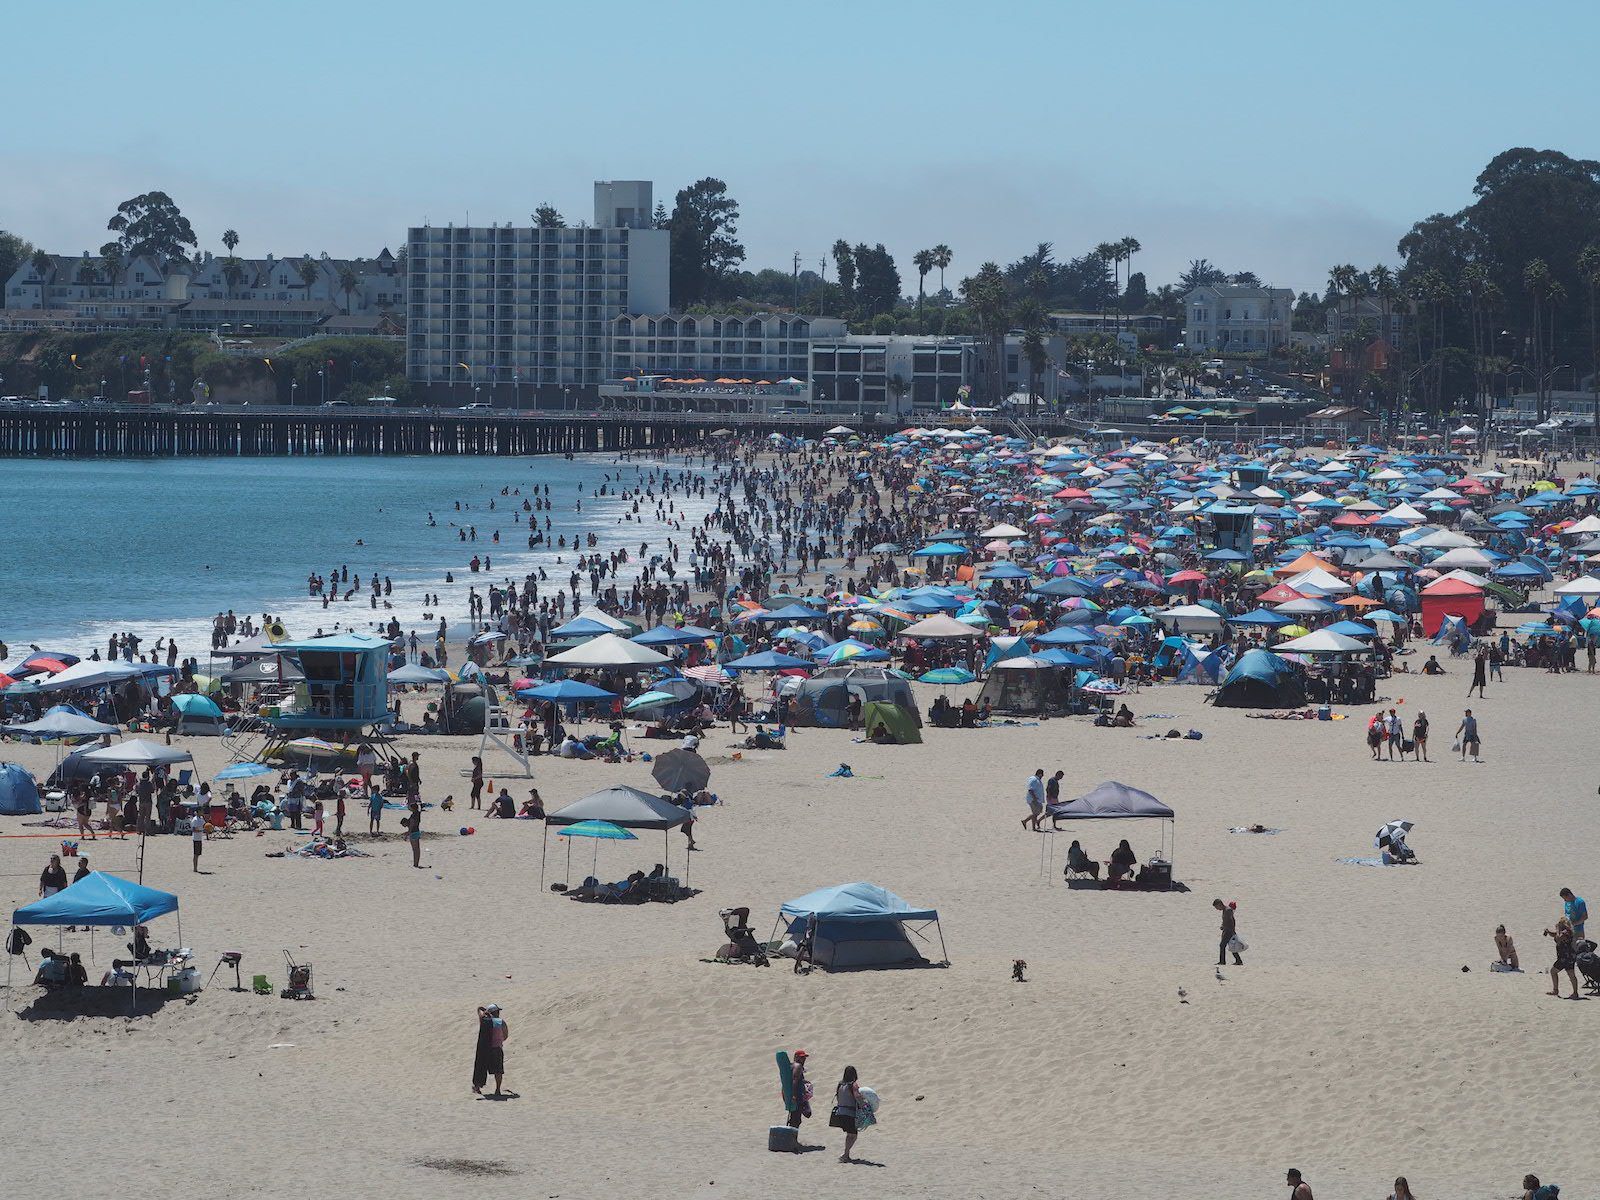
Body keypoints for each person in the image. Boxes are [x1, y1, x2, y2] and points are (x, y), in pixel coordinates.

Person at [472, 1003, 509, 1096]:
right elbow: (505, 1036)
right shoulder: (501, 1022)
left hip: (485, 1049)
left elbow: (479, 1014)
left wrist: (480, 1009)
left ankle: (477, 1087)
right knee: (498, 1070)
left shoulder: (484, 1021)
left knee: (481, 1067)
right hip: (497, 1048)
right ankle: (497, 1090)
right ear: (496, 1012)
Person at [830, 1065, 862, 1163]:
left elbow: (838, 1098)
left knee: (850, 1134)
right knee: (853, 1135)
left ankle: (846, 1154)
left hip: (841, 1112)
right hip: (850, 1113)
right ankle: (845, 1154)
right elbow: (857, 1097)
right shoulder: (853, 1085)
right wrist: (863, 1104)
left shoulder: (840, 1084)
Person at [1544, 916, 1580, 999]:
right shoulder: (1566, 931)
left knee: (1553, 971)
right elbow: (1555, 935)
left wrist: (1557, 929)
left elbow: (1558, 939)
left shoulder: (1565, 932)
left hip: (1565, 957)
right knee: (1571, 975)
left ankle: (1556, 990)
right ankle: (1575, 993)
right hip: (1569, 956)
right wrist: (1549, 932)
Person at [786, 1049, 812, 1132]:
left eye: (804, 1058)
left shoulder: (793, 1065)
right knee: (796, 1119)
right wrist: (794, 1095)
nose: (804, 1059)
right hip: (797, 1096)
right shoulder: (798, 1066)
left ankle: (791, 1138)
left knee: (794, 1117)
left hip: (795, 1094)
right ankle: (791, 1139)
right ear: (796, 1057)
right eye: (802, 1057)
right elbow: (795, 1080)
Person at [1215, 898, 1242, 966]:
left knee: (1222, 945)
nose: (1217, 909)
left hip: (1229, 931)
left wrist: (1230, 930)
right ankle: (1238, 961)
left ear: (1219, 904)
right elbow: (1225, 920)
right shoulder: (1225, 910)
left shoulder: (1228, 910)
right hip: (1227, 931)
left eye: (1216, 907)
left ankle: (1222, 962)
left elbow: (1232, 920)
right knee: (1232, 946)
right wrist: (1222, 925)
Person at [1022, 768, 1046, 832]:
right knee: (1035, 813)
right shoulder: (1034, 779)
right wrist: (1034, 798)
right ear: (1039, 774)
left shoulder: (1036, 779)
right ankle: (1025, 821)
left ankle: (1033, 827)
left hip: (1037, 800)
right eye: (1042, 774)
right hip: (1033, 800)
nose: (1042, 776)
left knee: (1036, 813)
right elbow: (1030, 789)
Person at [406, 799, 423, 868]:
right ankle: (416, 863)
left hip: (413, 832)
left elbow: (411, 825)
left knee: (415, 849)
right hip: (417, 831)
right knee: (417, 849)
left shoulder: (413, 815)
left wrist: (408, 833)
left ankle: (415, 864)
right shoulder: (418, 813)